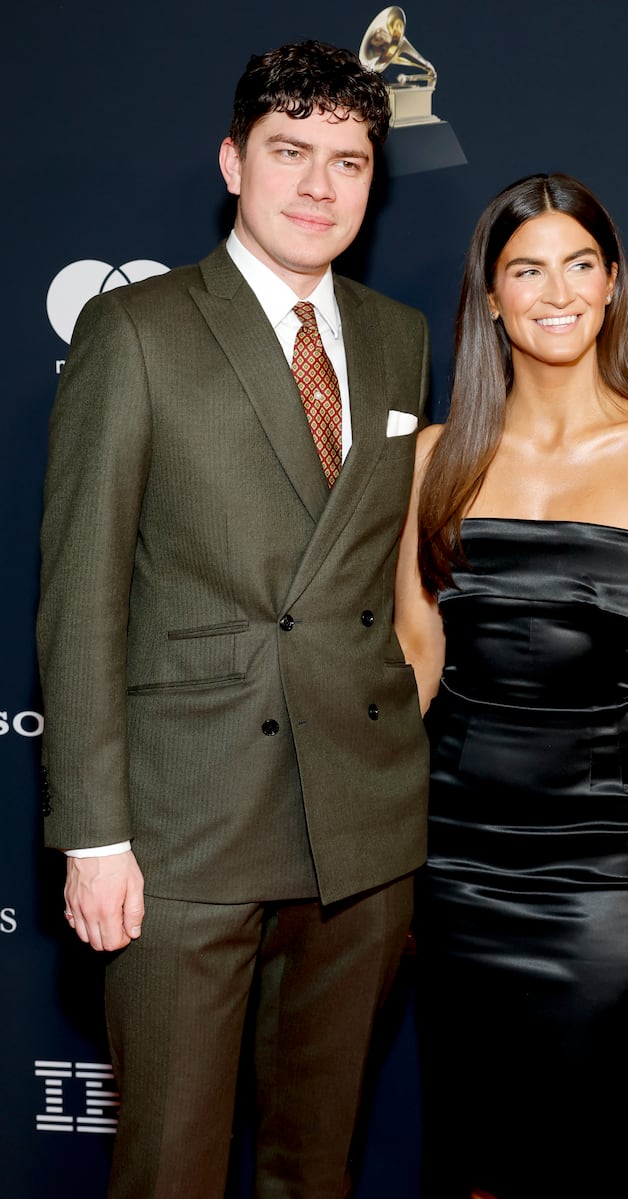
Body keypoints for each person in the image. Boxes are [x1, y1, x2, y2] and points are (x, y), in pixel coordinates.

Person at [36, 41, 432, 1199]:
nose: (319, 186)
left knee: (318, 1161)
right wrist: (94, 831)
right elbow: (82, 590)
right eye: (290, 152)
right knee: (169, 1162)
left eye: (348, 161)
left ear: (372, 181)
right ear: (233, 161)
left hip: (358, 820)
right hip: (182, 820)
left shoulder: (396, 332)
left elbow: (394, 554)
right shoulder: (140, 329)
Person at [393, 173, 628, 1198]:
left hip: (603, 864)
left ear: (611, 283)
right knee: (470, 1150)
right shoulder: (430, 458)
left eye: (578, 264)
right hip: (452, 854)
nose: (556, 291)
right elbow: (415, 653)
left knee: (580, 1154)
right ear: (489, 296)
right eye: (525, 269)